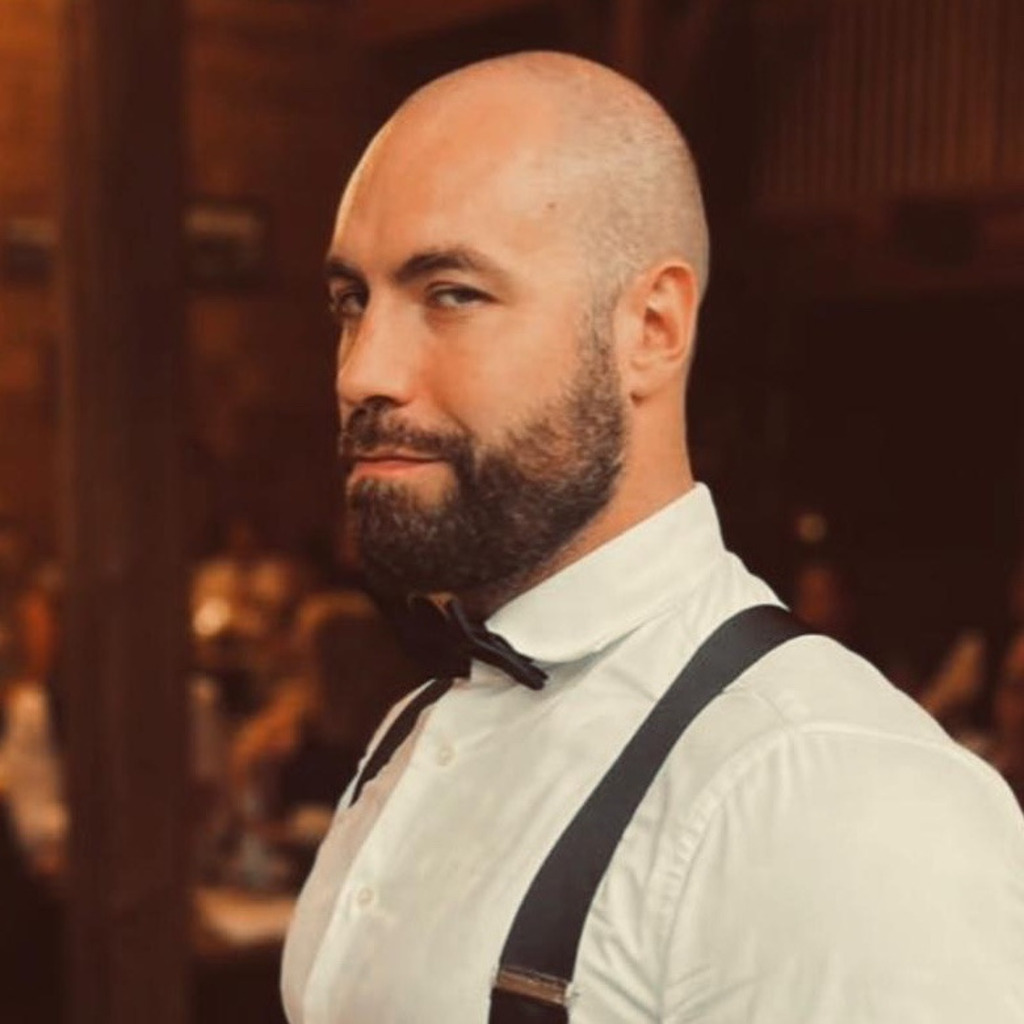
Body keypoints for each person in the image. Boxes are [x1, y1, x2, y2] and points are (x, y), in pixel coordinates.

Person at [282, 51, 1024, 1023]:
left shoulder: (836, 795)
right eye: (352, 301)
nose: (361, 372)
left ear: (651, 327)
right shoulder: (410, 732)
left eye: (452, 292)